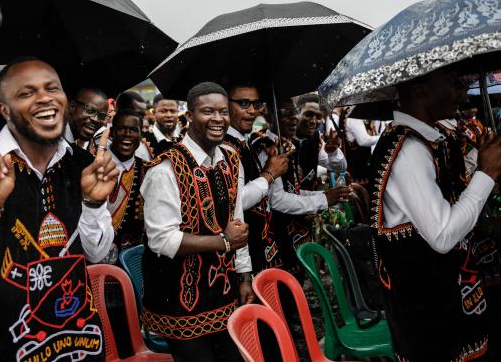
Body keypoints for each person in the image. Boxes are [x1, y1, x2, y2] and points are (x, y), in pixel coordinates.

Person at [0, 58, 117, 360]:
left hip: (74, 344)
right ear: (5, 110)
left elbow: (96, 254)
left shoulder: (83, 166)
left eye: (52, 88)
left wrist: (93, 204)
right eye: (27, 93)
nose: (44, 98)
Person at [368, 67, 501, 361]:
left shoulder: (428, 141)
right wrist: (486, 174)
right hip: (428, 314)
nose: (463, 92)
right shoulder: (408, 150)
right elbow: (443, 235)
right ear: (422, 91)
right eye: (454, 82)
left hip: (444, 300)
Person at [140, 82, 253, 361]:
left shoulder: (230, 158)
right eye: (207, 111)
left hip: (222, 291)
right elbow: (161, 240)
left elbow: (236, 220)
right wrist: (224, 242)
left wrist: (245, 274)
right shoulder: (165, 170)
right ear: (189, 116)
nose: (218, 119)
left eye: (223, 112)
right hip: (179, 299)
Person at [251, 97, 352, 276]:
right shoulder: (266, 146)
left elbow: (339, 167)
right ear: (268, 116)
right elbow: (277, 200)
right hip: (276, 237)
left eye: (294, 113)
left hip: (296, 231)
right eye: (285, 113)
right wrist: (323, 199)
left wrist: (333, 152)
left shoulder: (294, 143)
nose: (292, 118)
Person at [223, 84, 289, 273]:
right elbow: (238, 200)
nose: (252, 111)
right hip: (244, 252)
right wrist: (269, 174)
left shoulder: (243, 142)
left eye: (256, 103)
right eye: (244, 103)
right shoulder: (226, 147)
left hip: (261, 244)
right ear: (226, 105)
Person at [102, 109, 147, 264]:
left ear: (141, 136)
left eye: (134, 130)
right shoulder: (93, 164)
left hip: (131, 262)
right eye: (122, 129)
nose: (127, 134)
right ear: (112, 133)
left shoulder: (147, 171)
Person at [294, 93, 346, 190]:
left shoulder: (316, 138)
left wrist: (333, 152)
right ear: (297, 113)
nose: (314, 121)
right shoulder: (282, 139)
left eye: (318, 116)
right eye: (308, 115)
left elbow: (336, 167)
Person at [141, 94, 180, 160]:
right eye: (163, 111)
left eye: (173, 111)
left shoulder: (184, 139)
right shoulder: (143, 144)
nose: (169, 115)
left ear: (178, 112)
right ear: (153, 113)